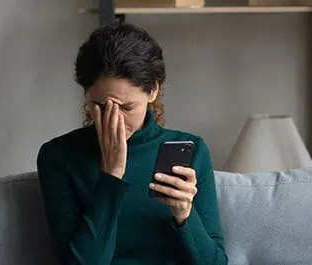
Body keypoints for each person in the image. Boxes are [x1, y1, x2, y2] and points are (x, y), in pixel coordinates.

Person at [36, 23, 228, 265]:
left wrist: (183, 214)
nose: (114, 120)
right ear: (86, 96)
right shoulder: (59, 156)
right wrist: (111, 176)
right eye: (102, 107)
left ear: (153, 92)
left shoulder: (192, 149)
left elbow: (215, 263)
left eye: (127, 107)